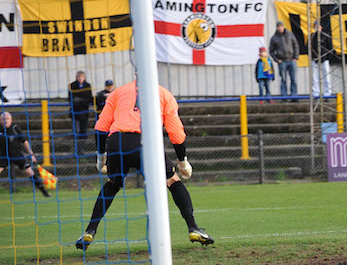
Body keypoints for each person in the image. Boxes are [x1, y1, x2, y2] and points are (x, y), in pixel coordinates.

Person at [75, 76, 212, 250]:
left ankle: (90, 231)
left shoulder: (118, 92)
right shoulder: (163, 94)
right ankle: (193, 228)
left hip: (117, 142)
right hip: (145, 143)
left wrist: (101, 157)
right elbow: (176, 133)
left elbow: (101, 127)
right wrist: (182, 161)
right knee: (172, 180)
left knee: (113, 184)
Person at [1, 112, 49, 197]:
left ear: (11, 120)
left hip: (16, 155)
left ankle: (44, 192)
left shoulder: (15, 128)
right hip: (3, 156)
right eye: (3, 119)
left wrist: (31, 155)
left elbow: (24, 142)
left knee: (30, 172)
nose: (5, 121)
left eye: (7, 119)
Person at [269, 21, 300, 101]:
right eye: (278, 27)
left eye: (281, 26)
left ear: (283, 26)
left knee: (293, 79)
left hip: (292, 60)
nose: (280, 28)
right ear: (276, 28)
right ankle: (284, 96)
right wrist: (277, 60)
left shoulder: (290, 34)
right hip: (282, 61)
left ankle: (294, 96)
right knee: (283, 79)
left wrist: (296, 57)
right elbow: (271, 51)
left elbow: (296, 45)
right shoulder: (274, 38)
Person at [309, 21, 332, 97]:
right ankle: (316, 93)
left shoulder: (326, 36)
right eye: (315, 26)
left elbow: (330, 48)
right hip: (315, 60)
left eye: (318, 26)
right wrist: (312, 57)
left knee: (326, 77)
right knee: (314, 78)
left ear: (321, 27)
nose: (317, 28)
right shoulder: (312, 36)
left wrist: (327, 58)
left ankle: (327, 93)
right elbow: (309, 48)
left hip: (324, 59)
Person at [68, 71, 92, 141]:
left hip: (84, 112)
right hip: (75, 112)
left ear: (84, 77)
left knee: (83, 130)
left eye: (82, 76)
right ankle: (76, 146)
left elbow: (89, 98)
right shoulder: (72, 85)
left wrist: (80, 100)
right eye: (78, 76)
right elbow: (71, 98)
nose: (80, 78)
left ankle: (83, 146)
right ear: (76, 77)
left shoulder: (88, 86)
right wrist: (80, 100)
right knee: (76, 130)